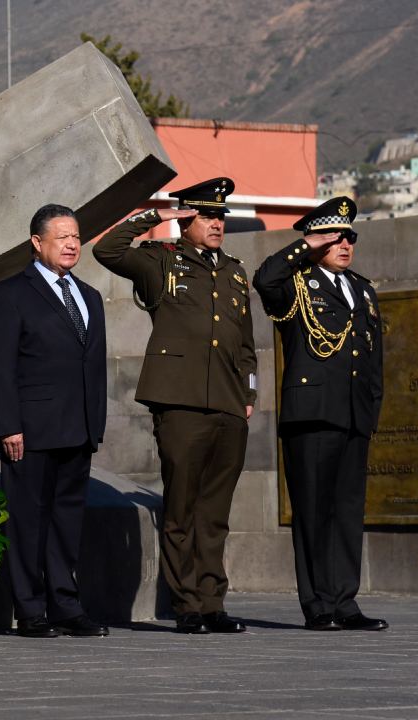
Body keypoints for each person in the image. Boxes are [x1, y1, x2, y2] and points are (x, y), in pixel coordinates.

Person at [91, 178, 255, 634]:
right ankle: (187, 606)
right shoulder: (162, 261)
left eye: (221, 216)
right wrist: (156, 217)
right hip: (179, 402)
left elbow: (245, 345)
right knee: (182, 508)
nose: (217, 223)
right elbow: (108, 251)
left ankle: (212, 603)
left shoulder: (236, 271)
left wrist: (249, 394)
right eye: (207, 215)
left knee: (215, 513)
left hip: (227, 403)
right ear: (187, 219)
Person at [252, 197, 387, 632]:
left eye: (349, 236)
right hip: (312, 414)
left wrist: (371, 410)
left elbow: (374, 360)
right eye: (335, 237)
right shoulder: (297, 282)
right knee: (313, 511)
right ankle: (319, 605)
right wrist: (305, 246)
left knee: (348, 511)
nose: (345, 244)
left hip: (352, 414)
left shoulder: (363, 290)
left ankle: (346, 602)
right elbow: (264, 279)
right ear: (316, 241)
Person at [0, 204, 109, 639]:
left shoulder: (89, 296)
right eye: (62, 237)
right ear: (37, 243)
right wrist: (8, 426)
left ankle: (66, 606)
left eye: (76, 236)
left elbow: (92, 366)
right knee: (28, 521)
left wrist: (97, 422)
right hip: (30, 431)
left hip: (78, 428)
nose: (73, 243)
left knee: (67, 522)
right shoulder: (10, 293)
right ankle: (31, 610)